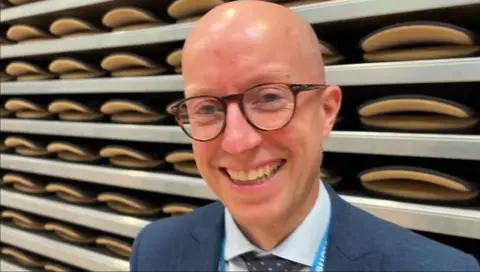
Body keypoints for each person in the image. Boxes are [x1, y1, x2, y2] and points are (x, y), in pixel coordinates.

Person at [130, 1, 479, 271]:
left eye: (268, 98)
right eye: (207, 108)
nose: (236, 143)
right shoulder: (155, 251)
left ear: (326, 111)